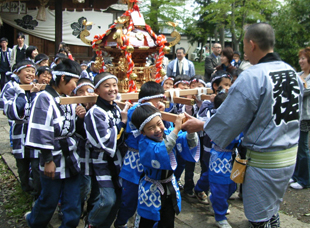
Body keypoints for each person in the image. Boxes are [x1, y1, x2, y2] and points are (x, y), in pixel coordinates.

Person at [181, 23, 303, 228]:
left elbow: (230, 118)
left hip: (265, 160)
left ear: (252, 44)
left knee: (259, 218)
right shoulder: (291, 72)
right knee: (272, 209)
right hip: (289, 156)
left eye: (245, 45)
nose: (244, 51)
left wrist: (201, 124)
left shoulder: (253, 76)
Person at [24, 59, 82, 228]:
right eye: (74, 82)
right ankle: (34, 222)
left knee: (72, 202)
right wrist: (48, 160)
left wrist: (81, 115)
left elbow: (71, 127)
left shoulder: (67, 98)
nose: (75, 87)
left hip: (70, 156)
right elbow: (41, 130)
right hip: (53, 156)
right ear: (63, 78)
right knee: (49, 199)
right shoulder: (44, 97)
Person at [130, 105, 199, 228]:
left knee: (168, 220)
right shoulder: (145, 143)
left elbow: (189, 143)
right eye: (151, 127)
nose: (157, 129)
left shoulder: (168, 133)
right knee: (147, 222)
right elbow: (163, 149)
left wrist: (190, 130)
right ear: (142, 132)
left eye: (159, 123)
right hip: (151, 189)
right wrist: (176, 129)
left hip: (169, 187)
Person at [114, 81, 166, 228]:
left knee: (151, 196)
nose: (160, 103)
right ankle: (121, 223)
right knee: (129, 198)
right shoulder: (134, 111)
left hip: (150, 160)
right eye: (158, 100)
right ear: (150, 99)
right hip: (134, 160)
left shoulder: (154, 111)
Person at [83, 72, 128, 228]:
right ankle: (91, 223)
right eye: (107, 86)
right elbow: (106, 141)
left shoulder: (115, 108)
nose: (112, 89)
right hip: (102, 161)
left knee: (118, 197)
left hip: (118, 161)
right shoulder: (95, 112)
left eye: (114, 85)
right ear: (96, 91)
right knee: (107, 200)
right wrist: (122, 123)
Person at [3, 60, 42, 201]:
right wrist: (22, 94)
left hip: (34, 132)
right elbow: (13, 111)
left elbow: (38, 110)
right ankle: (25, 190)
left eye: (33, 71)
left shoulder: (38, 87)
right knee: (22, 165)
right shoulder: (11, 87)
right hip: (20, 131)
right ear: (17, 72)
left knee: (37, 165)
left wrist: (33, 94)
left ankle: (38, 193)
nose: (31, 74)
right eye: (28, 71)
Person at [289, 47, 310, 190]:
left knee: (303, 147)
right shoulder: (300, 75)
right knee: (296, 146)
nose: (300, 61)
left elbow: (305, 91)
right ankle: (296, 175)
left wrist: (300, 81)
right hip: (296, 115)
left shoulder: (304, 77)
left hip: (306, 116)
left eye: (303, 58)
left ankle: (305, 180)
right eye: (300, 58)